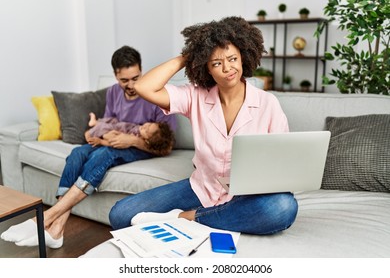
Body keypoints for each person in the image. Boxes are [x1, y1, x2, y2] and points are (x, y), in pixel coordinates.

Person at [108, 17, 298, 235]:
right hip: (202, 187)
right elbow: (143, 87)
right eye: (217, 63)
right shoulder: (195, 96)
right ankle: (222, 217)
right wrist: (191, 55)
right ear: (206, 68)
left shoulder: (267, 104)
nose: (228, 68)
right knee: (120, 215)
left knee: (283, 208)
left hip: (247, 194)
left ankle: (186, 218)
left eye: (232, 58)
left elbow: (282, 164)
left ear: (243, 57)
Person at [1, 45, 176, 248]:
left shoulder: (155, 94)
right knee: (77, 152)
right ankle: (57, 229)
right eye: (124, 80)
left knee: (104, 154)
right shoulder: (113, 92)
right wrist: (96, 133)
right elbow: (109, 121)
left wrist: (134, 141)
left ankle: (48, 217)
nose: (130, 85)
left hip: (141, 148)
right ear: (115, 75)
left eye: (135, 78)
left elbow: (167, 146)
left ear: (141, 70)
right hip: (113, 141)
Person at [87, 112, 175, 156]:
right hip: (120, 125)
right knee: (112, 120)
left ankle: (93, 128)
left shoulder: (135, 137)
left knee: (106, 127)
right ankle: (96, 122)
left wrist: (101, 142)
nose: (145, 127)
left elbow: (114, 142)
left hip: (117, 130)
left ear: (147, 140)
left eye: (147, 131)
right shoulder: (140, 129)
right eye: (150, 124)